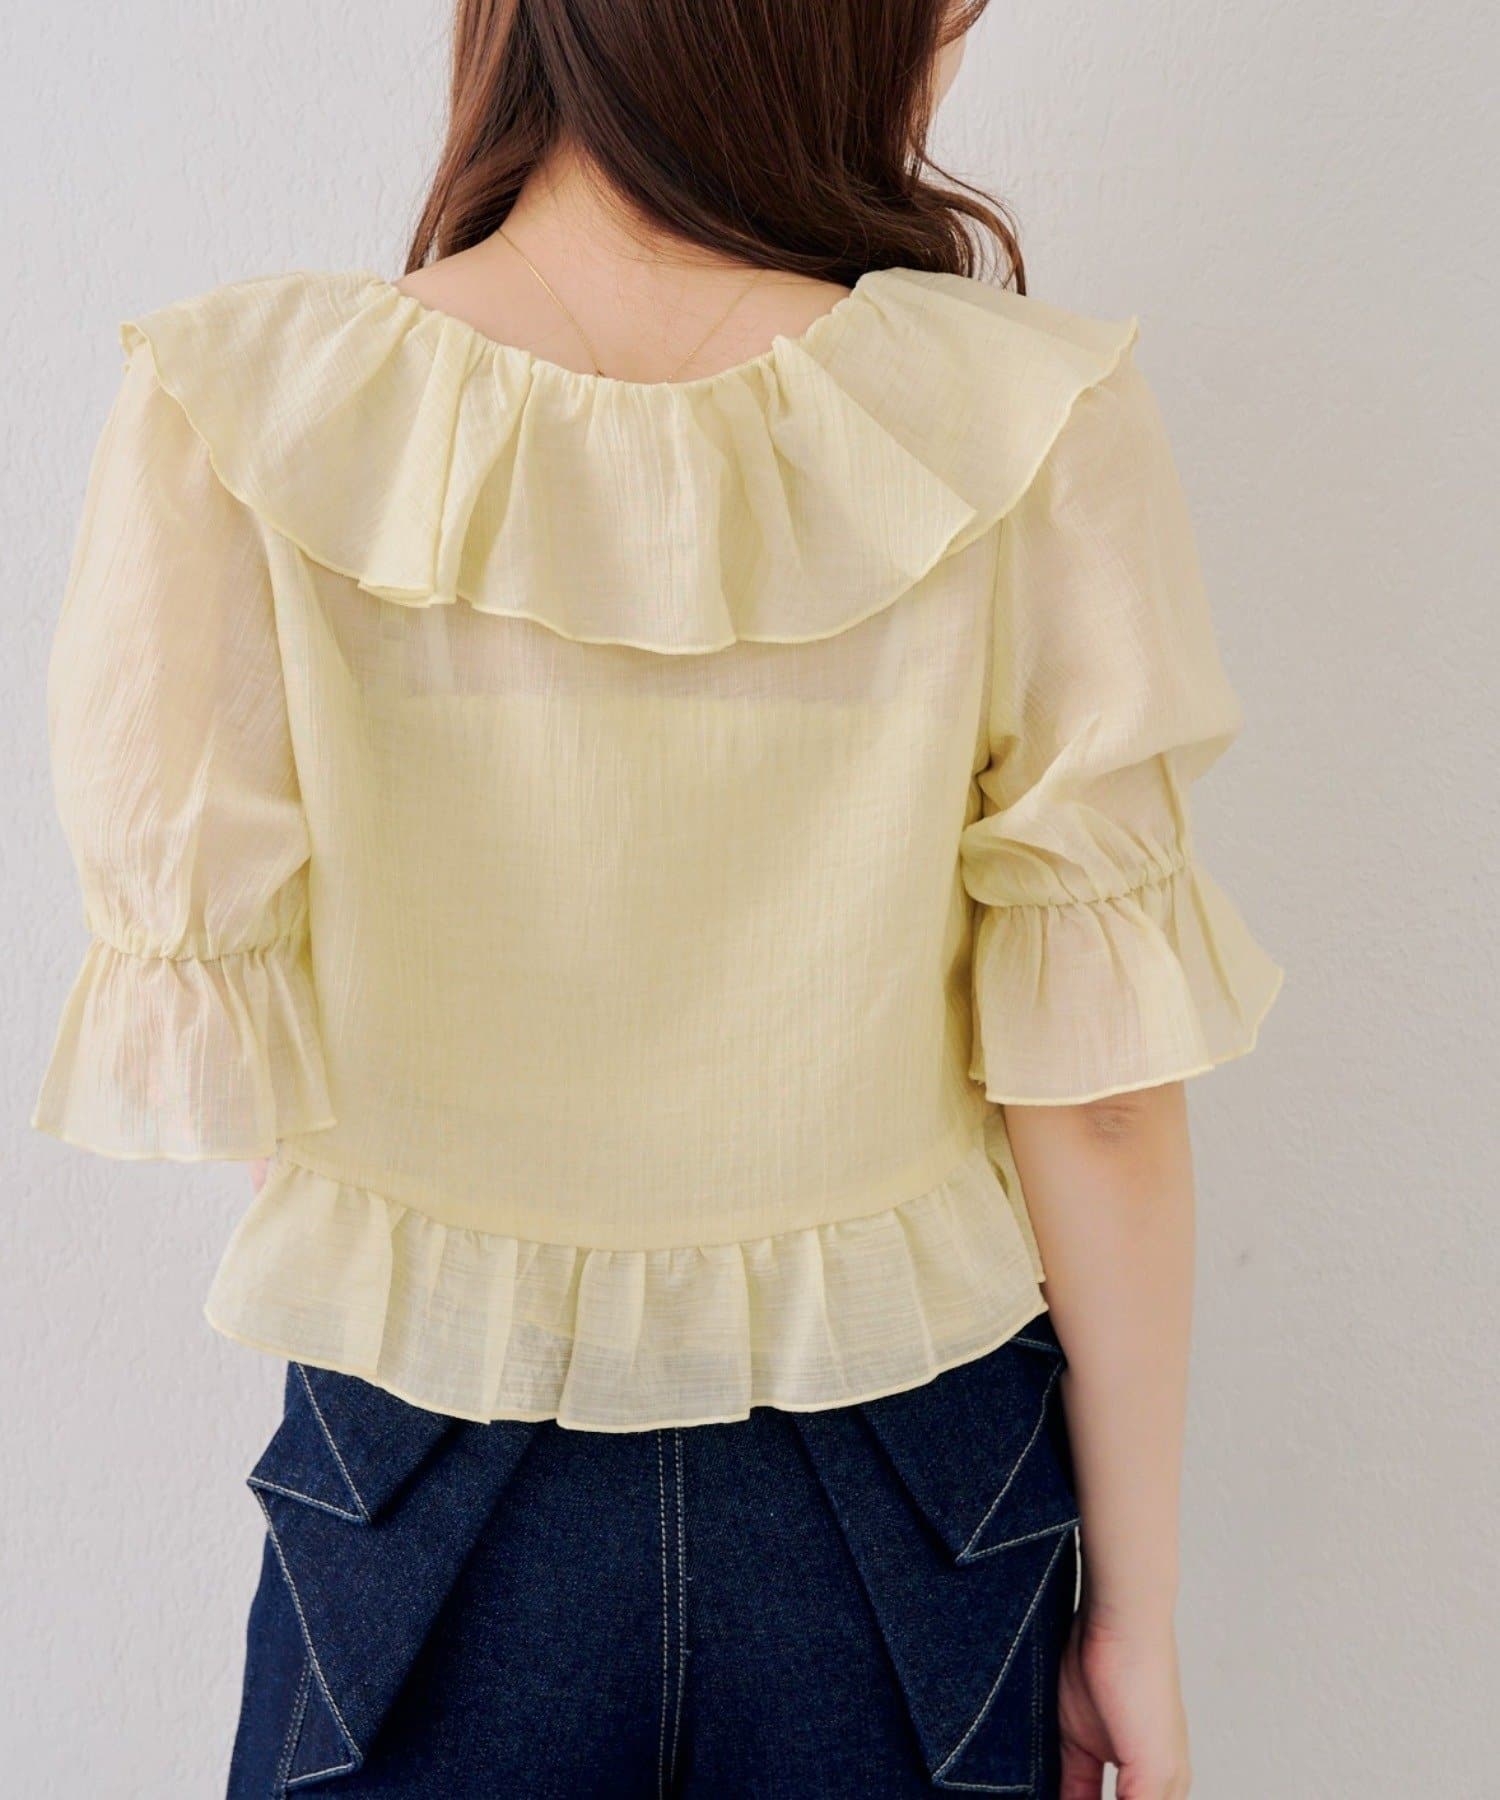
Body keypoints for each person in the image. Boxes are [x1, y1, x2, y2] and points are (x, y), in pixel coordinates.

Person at [30, 1, 1282, 1794]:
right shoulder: (1025, 415)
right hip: (910, 1496)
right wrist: (1135, 1628)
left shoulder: (246, 411)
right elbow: (1099, 1107)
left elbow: (247, 1066)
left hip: (429, 1474)